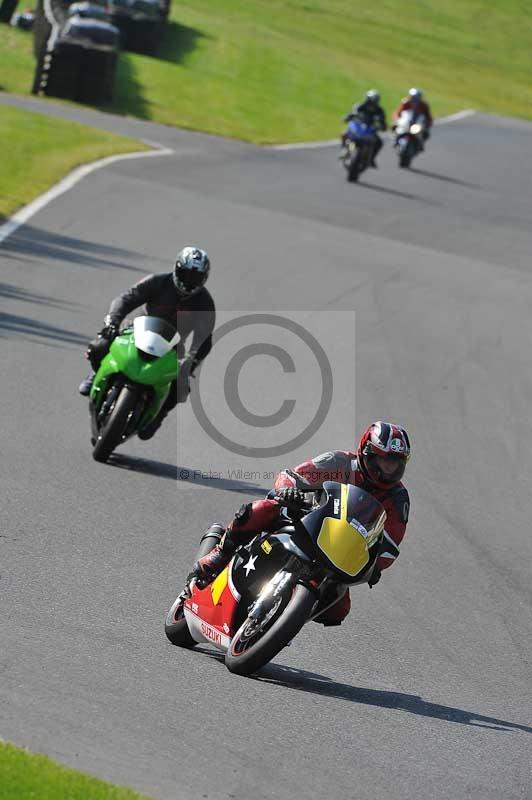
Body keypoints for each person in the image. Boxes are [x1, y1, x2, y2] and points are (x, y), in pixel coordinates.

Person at [191, 421, 411, 626]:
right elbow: (293, 474)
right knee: (262, 509)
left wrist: (375, 565)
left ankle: (283, 620)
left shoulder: (398, 498)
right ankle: (221, 552)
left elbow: (391, 542)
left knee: (338, 610)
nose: (388, 469)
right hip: (306, 520)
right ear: (367, 454)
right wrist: (288, 488)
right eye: (384, 460)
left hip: (340, 553)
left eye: (395, 463)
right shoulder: (340, 462)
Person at [79, 246, 215, 440]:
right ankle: (95, 374)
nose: (189, 281)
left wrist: (191, 362)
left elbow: (205, 338)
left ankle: (158, 415)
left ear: (204, 279)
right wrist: (112, 322)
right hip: (136, 330)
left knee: (181, 386)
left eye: (196, 278)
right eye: (186, 274)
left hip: (171, 346)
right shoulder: (158, 282)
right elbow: (126, 299)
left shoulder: (205, 303)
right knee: (99, 345)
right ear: (177, 268)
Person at [341, 89, 387, 167]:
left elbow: (383, 122)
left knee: (379, 143)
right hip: (358, 127)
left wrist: (382, 126)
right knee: (345, 133)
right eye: (370, 101)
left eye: (374, 101)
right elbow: (352, 113)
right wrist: (348, 117)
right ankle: (345, 148)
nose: (371, 103)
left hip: (370, 130)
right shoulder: (360, 106)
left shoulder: (379, 110)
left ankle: (372, 158)